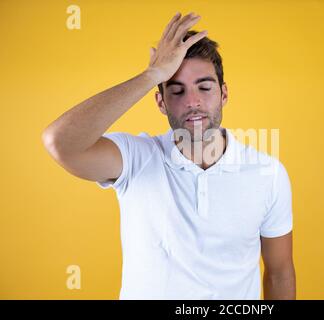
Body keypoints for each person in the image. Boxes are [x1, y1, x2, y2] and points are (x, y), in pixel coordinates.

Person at [42, 12, 296, 300]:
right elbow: (60, 142)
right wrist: (152, 75)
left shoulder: (268, 172)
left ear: (224, 94)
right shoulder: (135, 159)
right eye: (176, 90)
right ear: (160, 101)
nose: (193, 102)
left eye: (204, 87)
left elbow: (279, 273)